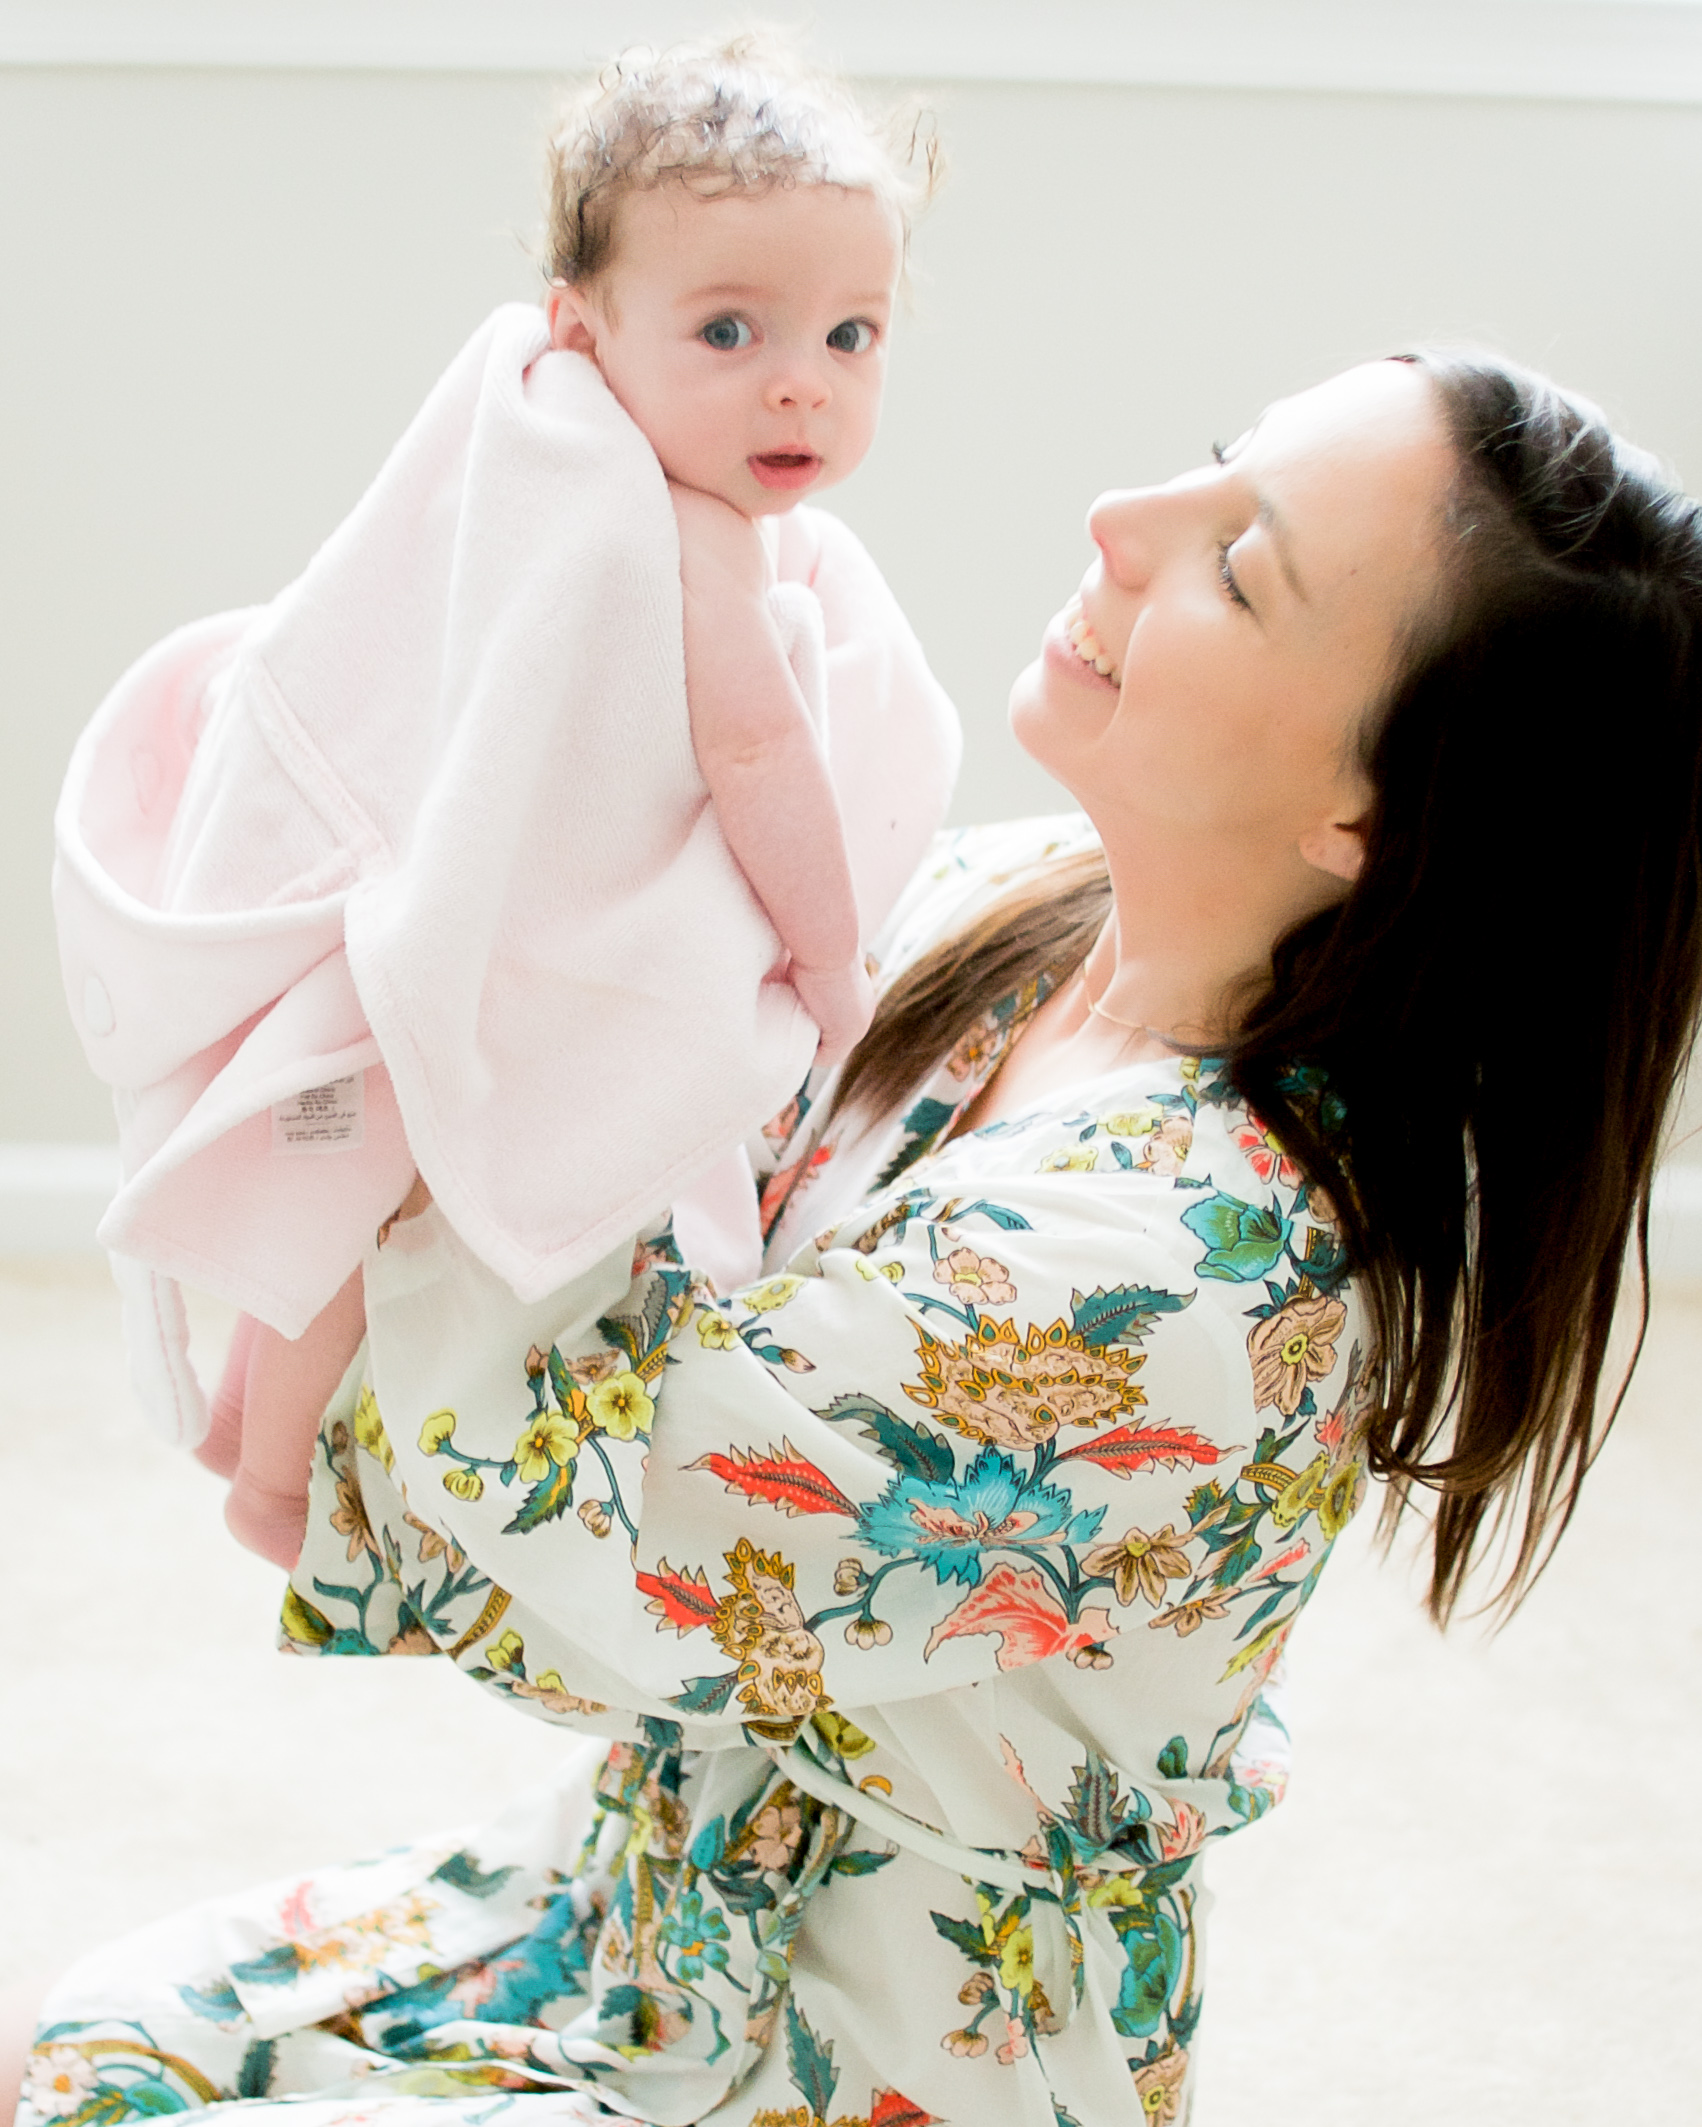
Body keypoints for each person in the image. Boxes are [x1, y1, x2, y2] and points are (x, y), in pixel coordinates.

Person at [15, 349, 1702, 2125]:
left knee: (88, 2091)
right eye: (1209, 468)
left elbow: (598, 1543)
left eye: (1237, 566)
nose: (1120, 524)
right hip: (649, 1895)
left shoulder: (1179, 1280)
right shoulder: (1024, 906)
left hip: (865, 2049)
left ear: (1365, 816)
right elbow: (653, 1107)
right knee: (87, 2036)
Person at [49, 36, 959, 1572]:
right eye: (727, 329)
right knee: (390, 1192)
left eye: (850, 333)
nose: (799, 379)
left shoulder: (529, 418)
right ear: (581, 328)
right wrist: (823, 961)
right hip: (453, 931)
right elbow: (758, 761)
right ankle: (280, 1483)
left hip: (385, 911)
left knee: (333, 1190)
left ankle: (249, 1428)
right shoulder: (691, 537)